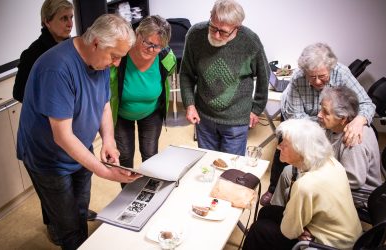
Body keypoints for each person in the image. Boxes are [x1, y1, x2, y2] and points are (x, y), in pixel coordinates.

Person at [16, 14, 141, 249]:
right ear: (95, 43)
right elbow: (62, 136)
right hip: (48, 159)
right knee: (69, 227)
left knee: (81, 211)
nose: (116, 64)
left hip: (80, 149)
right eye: (115, 57)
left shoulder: (100, 59)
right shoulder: (56, 68)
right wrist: (103, 171)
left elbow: (104, 103)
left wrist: (108, 140)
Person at [260, 42, 376, 206]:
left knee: (311, 166)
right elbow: (298, 119)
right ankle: (274, 188)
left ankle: (295, 191)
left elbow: (367, 104)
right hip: (312, 123)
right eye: (312, 77)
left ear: (331, 68)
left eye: (322, 76)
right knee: (286, 142)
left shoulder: (341, 73)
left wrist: (359, 119)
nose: (318, 82)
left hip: (332, 124)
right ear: (305, 72)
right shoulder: (298, 78)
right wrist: (326, 123)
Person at [243, 119, 362, 250]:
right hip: (348, 235)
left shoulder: (305, 185)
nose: (278, 146)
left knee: (258, 230)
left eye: (285, 144)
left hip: (330, 245)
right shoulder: (331, 162)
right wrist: (299, 228)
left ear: (301, 151)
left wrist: (298, 231)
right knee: (266, 211)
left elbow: (288, 232)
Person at [179, 0, 269, 156]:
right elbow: (186, 73)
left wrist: (256, 109)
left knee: (230, 169)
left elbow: (264, 75)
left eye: (223, 31)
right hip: (204, 117)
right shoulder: (195, 35)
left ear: (237, 28)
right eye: (213, 27)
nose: (216, 35)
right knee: (206, 164)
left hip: (236, 121)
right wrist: (189, 105)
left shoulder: (250, 41)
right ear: (210, 16)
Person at [271, 86, 382, 209]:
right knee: (288, 171)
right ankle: (276, 210)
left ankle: (287, 216)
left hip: (357, 194)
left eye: (325, 112)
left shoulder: (354, 138)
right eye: (321, 109)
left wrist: (312, 177)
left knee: (296, 189)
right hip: (333, 175)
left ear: (343, 118)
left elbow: (354, 180)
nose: (319, 115)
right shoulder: (333, 127)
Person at [110, 15, 176, 184]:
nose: (152, 50)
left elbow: (171, 70)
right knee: (124, 157)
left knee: (150, 154)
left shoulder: (166, 56)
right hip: (121, 114)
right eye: (148, 43)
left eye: (158, 46)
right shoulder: (121, 54)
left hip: (151, 111)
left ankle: (149, 192)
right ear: (137, 33)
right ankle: (127, 194)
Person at [13, 0, 74, 103]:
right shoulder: (32, 54)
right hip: (48, 116)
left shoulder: (73, 46)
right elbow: (19, 93)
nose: (70, 24)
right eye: (64, 18)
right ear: (47, 22)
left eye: (71, 17)